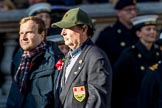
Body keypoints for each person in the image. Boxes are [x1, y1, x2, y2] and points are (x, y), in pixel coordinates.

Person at [52, 8, 112, 108]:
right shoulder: (69, 57)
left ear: (84, 29)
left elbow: (97, 102)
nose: (62, 33)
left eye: (67, 27)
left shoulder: (95, 57)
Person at [6, 16, 63, 108]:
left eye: (29, 32)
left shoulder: (55, 60)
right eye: (21, 33)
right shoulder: (18, 59)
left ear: (42, 35)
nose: (23, 37)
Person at [112, 15, 162, 108]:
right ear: (138, 33)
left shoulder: (158, 54)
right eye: (148, 29)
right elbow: (117, 83)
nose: (153, 32)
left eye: (154, 29)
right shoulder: (129, 55)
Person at [95, 0, 138, 65]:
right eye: (128, 10)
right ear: (118, 12)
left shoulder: (139, 32)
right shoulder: (109, 35)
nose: (133, 13)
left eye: (135, 9)